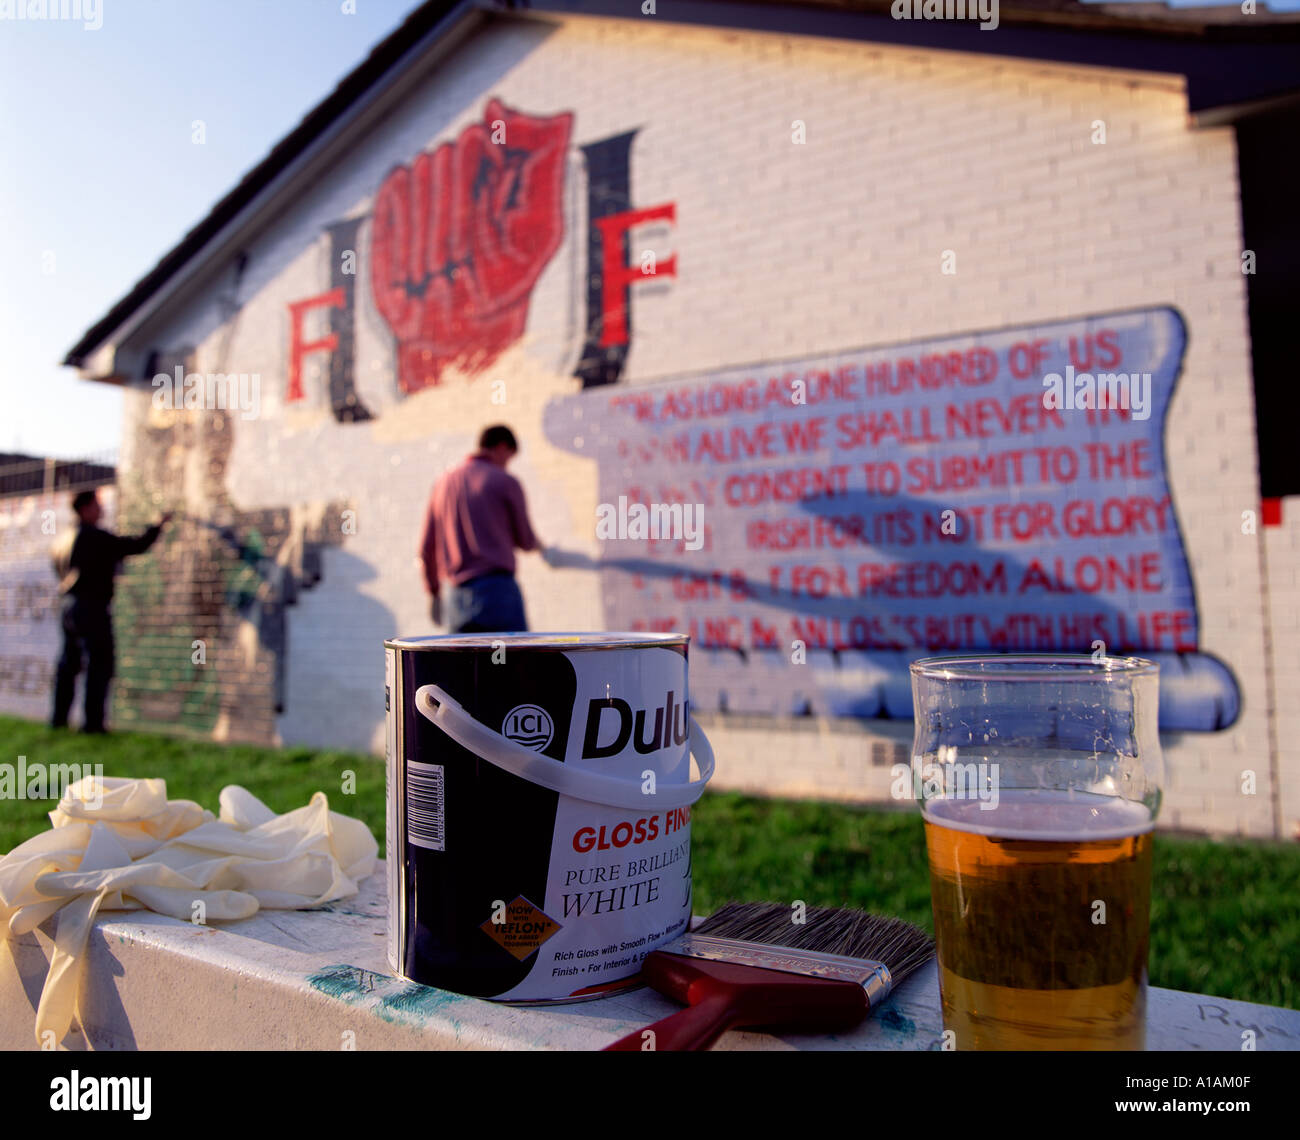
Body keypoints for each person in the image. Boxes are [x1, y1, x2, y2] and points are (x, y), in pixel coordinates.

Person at [50, 490, 173, 733]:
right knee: (99, 664)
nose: (102, 510)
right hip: (90, 608)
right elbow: (135, 545)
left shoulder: (63, 539)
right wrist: (158, 525)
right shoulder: (92, 536)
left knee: (69, 664)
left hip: (68, 607)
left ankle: (58, 720)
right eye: (97, 505)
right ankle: (93, 725)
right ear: (85, 508)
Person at [419, 425, 542, 633]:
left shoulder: (442, 484)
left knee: (462, 665)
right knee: (512, 663)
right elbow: (526, 540)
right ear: (502, 447)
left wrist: (433, 592)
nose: (506, 465)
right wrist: (542, 546)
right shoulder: (505, 481)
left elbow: (425, 549)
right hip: (498, 593)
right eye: (509, 458)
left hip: (455, 597)